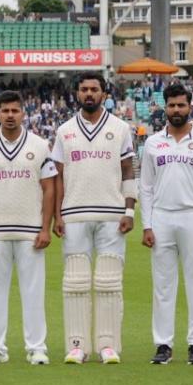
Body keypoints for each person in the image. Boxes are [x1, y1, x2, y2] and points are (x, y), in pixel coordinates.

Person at [51, 72, 136, 365]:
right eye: (84, 89)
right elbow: (58, 176)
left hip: (112, 213)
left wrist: (129, 210)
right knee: (75, 281)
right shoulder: (64, 131)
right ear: (77, 93)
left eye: (94, 89)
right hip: (74, 213)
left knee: (109, 280)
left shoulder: (121, 128)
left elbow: (128, 171)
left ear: (104, 93)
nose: (89, 94)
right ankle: (77, 345)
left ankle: (107, 345)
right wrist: (57, 214)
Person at [0, 90, 56, 365]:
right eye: (5, 111)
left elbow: (48, 188)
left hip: (30, 231)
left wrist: (45, 228)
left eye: (15, 111)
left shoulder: (41, 145)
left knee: (33, 291)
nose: (10, 116)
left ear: (24, 113)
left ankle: (37, 348)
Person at [139, 84, 193, 366]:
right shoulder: (152, 143)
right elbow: (146, 187)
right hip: (161, 217)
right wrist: (146, 225)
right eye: (171, 105)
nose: (176, 110)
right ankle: (163, 344)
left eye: (181, 105)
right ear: (165, 107)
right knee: (163, 285)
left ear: (190, 106)